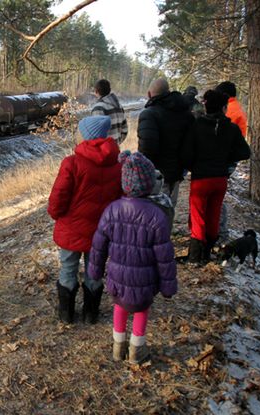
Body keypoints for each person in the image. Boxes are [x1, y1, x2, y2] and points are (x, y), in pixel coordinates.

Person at [88, 151, 177, 364]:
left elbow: (98, 246)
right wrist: (168, 286)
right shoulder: (157, 216)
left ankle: (118, 348)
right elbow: (165, 256)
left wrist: (95, 271)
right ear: (149, 184)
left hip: (117, 276)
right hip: (145, 279)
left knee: (119, 307)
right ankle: (137, 350)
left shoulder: (112, 210)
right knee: (141, 310)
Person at [48, 115, 122, 324]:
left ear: (87, 136)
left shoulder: (71, 163)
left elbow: (58, 197)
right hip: (101, 231)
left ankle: (66, 315)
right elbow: (120, 199)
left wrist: (56, 214)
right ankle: (91, 314)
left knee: (68, 268)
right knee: (94, 270)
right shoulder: (117, 166)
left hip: (72, 229)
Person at [181, 90, 251, 263]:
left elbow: (185, 153)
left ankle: (195, 257)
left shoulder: (196, 126)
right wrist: (226, 159)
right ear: (223, 107)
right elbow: (245, 152)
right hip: (220, 179)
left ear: (206, 106)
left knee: (198, 216)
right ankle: (208, 251)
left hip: (201, 178)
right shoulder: (232, 128)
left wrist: (194, 166)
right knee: (214, 214)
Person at [137, 78, 195, 208]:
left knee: (153, 215)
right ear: (168, 92)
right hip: (176, 173)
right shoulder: (186, 113)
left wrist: (143, 173)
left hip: (156, 175)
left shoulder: (149, 114)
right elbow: (191, 144)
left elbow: (147, 148)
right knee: (169, 212)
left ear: (149, 94)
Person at [215, 81, 248, 241]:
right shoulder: (235, 108)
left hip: (224, 160)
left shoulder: (230, 111)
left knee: (216, 196)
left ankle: (221, 234)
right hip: (227, 159)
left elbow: (221, 136)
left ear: (225, 95)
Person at [91, 79, 129, 145]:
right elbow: (125, 130)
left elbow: (96, 134)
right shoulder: (119, 107)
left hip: (103, 152)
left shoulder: (98, 108)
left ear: (96, 91)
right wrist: (116, 143)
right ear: (109, 90)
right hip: (116, 150)